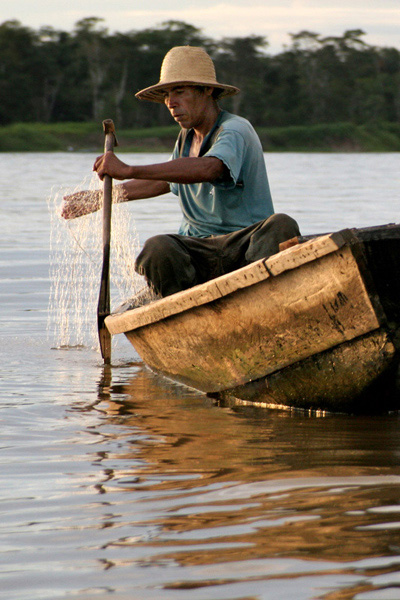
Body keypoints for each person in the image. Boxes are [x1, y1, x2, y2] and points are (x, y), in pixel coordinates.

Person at [62, 46, 300, 301]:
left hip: (244, 246)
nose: (170, 103)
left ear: (207, 90)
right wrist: (101, 198)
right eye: (166, 94)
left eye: (179, 92)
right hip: (197, 250)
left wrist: (129, 169)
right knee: (158, 248)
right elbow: (166, 180)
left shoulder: (234, 130)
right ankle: (185, 311)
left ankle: (264, 298)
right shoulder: (185, 138)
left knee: (281, 224)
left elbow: (210, 168)